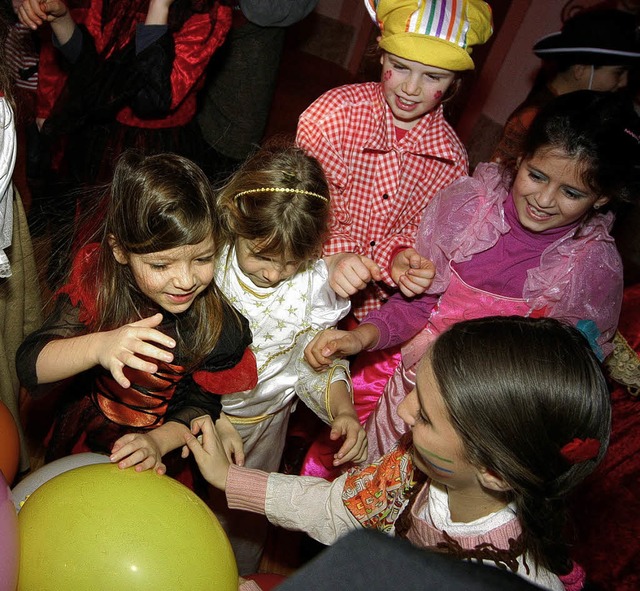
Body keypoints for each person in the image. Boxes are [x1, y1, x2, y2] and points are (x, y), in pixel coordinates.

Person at [306, 90, 638, 463]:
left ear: (602, 198)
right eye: (537, 175)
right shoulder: (468, 210)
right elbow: (418, 306)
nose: (545, 199)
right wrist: (359, 338)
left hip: (483, 419)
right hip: (409, 387)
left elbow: (558, 378)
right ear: (521, 157)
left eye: (571, 192)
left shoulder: (590, 267)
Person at [186, 316, 612, 591]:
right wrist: (231, 479)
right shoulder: (418, 465)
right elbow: (342, 510)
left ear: (494, 472)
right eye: (414, 392)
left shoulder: (499, 578)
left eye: (424, 416)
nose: (403, 411)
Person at [292, 0, 493, 471]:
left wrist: (404, 256)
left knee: (338, 398)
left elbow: (419, 229)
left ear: (455, 85)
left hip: (370, 311)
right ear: (381, 58)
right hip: (301, 280)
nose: (411, 88)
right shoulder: (331, 117)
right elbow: (304, 206)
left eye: (432, 77)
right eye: (401, 67)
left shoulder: (451, 158)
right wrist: (337, 257)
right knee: (286, 372)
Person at [16, 151, 257, 491]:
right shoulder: (99, 285)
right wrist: (99, 345)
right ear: (119, 250)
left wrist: (158, 442)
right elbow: (29, 365)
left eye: (203, 258)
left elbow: (201, 406)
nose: (186, 280)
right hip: (87, 431)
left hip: (162, 449)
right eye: (161, 266)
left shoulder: (220, 327)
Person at [212, 143, 367, 574]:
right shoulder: (209, 266)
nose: (275, 274)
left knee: (242, 516)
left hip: (265, 425)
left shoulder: (312, 287)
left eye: (292, 262)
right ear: (233, 219)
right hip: (199, 419)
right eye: (261, 255)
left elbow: (320, 359)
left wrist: (344, 409)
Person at [16, 0, 232, 285]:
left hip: (160, 150)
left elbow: (153, 99)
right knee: (94, 245)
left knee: (151, 244)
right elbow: (91, 69)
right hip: (101, 143)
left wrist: (159, 7)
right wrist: (62, 19)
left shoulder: (208, 11)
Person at [491, 8, 640, 168]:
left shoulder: (570, 115)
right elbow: (497, 180)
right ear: (581, 69)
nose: (623, 82)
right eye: (618, 73)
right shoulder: (535, 116)